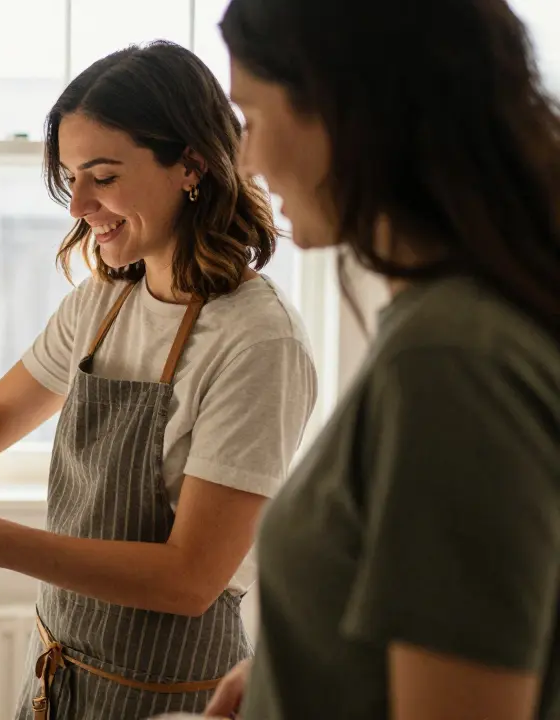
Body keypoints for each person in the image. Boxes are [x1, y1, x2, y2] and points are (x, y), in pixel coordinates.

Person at [0, 42, 318, 718]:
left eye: (101, 175)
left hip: (172, 700)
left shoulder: (256, 341)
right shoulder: (105, 301)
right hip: (60, 680)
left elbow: (191, 578)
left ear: (191, 163)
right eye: (71, 176)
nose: (78, 204)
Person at [202, 1, 560, 719]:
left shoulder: (452, 362)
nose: (244, 159)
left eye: (252, 117)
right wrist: (288, 678)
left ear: (343, 111)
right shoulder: (446, 330)